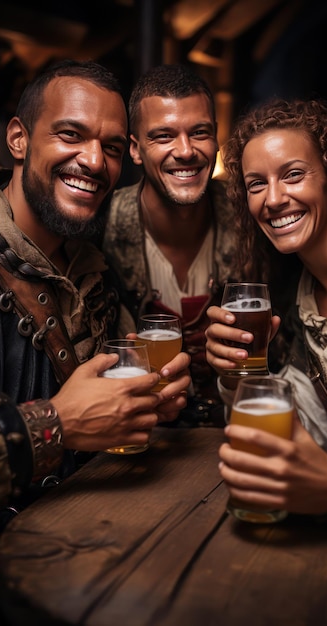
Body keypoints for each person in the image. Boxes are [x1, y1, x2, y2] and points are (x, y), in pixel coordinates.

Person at [0, 59, 192, 526]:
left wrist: (150, 405)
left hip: (89, 544)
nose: (95, 162)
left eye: (112, 147)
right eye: (71, 135)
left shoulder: (95, 269)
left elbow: (112, 415)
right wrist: (53, 425)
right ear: (19, 139)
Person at [205, 97, 327, 549]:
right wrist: (241, 378)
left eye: (293, 174)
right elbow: (304, 437)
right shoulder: (294, 300)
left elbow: (325, 472)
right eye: (257, 184)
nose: (274, 199)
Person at [102, 64, 241, 427]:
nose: (185, 151)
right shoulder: (100, 225)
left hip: (241, 428)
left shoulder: (251, 213)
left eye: (200, 132)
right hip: (145, 442)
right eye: (163, 136)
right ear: (135, 149)